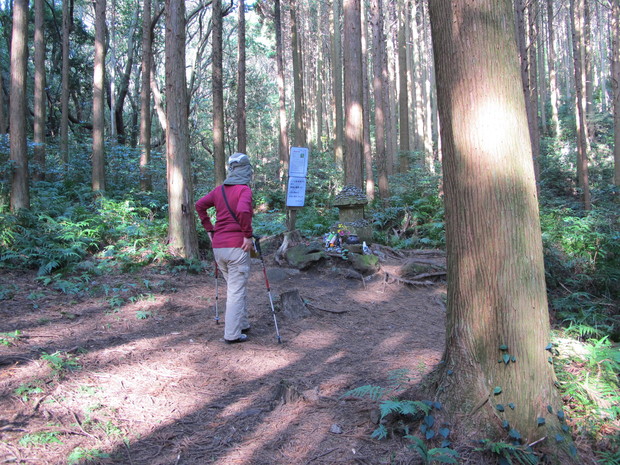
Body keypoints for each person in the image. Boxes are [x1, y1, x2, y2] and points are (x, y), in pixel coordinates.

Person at [195, 153, 254, 344]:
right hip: (237, 247)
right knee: (236, 290)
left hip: (219, 247)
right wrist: (247, 235)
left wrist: (209, 229)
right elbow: (244, 211)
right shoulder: (244, 190)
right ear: (246, 170)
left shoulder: (219, 191)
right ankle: (232, 334)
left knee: (235, 287)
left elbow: (199, 205)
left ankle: (242, 323)